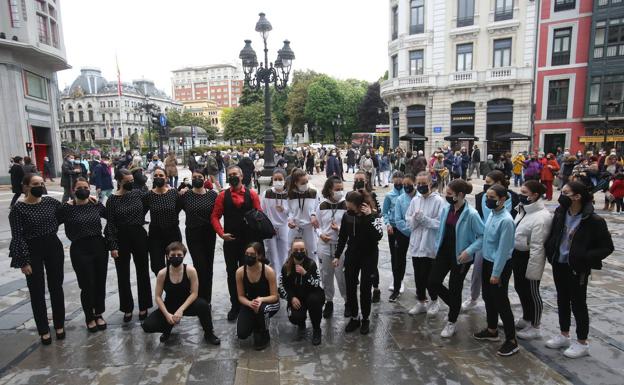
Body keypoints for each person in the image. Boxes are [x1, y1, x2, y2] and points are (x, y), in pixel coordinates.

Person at [543, 181, 614, 358]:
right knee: (562, 299)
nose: (562, 195)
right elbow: (555, 235)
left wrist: (585, 257)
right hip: (559, 263)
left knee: (578, 304)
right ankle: (564, 334)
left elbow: (607, 247)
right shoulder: (561, 213)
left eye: (565, 192)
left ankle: (582, 342)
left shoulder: (593, 220)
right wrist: (551, 249)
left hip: (577, 268)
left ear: (577, 197)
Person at [9, 174, 65, 344]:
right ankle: (43, 329)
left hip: (53, 246)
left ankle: (59, 324)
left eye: (41, 183)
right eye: (35, 184)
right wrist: (23, 261)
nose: (39, 186)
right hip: (32, 249)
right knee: (36, 290)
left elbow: (67, 211)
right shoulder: (18, 209)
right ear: (25, 187)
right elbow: (17, 236)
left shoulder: (50, 202)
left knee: (56, 286)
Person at [429, 179, 483, 338]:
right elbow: (441, 229)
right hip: (444, 252)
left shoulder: (471, 214)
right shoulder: (447, 209)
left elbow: (482, 235)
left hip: (461, 256)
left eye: (449, 194)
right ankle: (454, 306)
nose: (446, 196)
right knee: (433, 281)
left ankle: (452, 321)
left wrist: (469, 251)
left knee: (455, 287)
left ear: (460, 195)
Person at [141, 242, 220, 345]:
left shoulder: (190, 270)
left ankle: (209, 333)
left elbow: (194, 293)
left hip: (187, 304)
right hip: (170, 305)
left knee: (204, 305)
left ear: (184, 256)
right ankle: (167, 328)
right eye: (172, 255)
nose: (176, 257)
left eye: (179, 255)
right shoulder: (162, 273)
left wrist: (181, 310)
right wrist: (166, 314)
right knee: (147, 325)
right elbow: (157, 297)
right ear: (167, 256)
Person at [211, 166, 263, 321]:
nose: (233, 177)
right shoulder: (222, 196)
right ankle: (235, 304)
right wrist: (221, 233)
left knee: (249, 270)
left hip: (249, 242)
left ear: (242, 176)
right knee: (232, 273)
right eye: (230, 175)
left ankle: (249, 301)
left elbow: (259, 214)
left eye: (236, 174)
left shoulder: (252, 194)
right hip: (231, 241)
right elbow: (215, 216)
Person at [464, 170, 519, 311]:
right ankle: (473, 297)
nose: (485, 186)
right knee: (477, 271)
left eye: (488, 183)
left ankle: (500, 307)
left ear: (499, 183)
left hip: (503, 240)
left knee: (500, 278)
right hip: (484, 239)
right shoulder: (481, 197)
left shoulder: (514, 198)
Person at [473, 184, 518, 356]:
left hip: (499, 265)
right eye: (487, 196)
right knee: (487, 297)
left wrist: (496, 273)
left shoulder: (506, 221)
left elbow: (504, 249)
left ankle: (511, 340)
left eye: (492, 197)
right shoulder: (492, 214)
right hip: (487, 260)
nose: (488, 200)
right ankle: (492, 329)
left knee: (501, 302)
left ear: (502, 199)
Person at [58, 178, 108, 332]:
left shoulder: (95, 204)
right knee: (86, 285)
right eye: (79, 187)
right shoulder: (66, 208)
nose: (83, 190)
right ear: (73, 190)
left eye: (85, 187)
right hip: (79, 248)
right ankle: (89, 316)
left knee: (100, 282)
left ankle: (98, 313)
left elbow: (111, 217)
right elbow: (52, 222)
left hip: (99, 245)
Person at [105, 169, 152, 323]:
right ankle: (127, 308)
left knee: (143, 271)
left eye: (132, 180)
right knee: (122, 274)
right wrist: (113, 245)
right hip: (121, 237)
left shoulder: (138, 193)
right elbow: (110, 224)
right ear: (119, 182)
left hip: (138, 234)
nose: (131, 183)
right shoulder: (111, 200)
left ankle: (144, 305)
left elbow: (154, 196)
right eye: (127, 181)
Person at [334, 190, 384, 335]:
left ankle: (365, 318)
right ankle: (355, 317)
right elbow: (343, 236)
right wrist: (337, 255)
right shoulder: (347, 216)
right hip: (352, 254)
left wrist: (369, 217)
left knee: (365, 288)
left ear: (360, 205)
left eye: (351, 207)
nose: (348, 210)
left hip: (369, 255)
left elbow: (378, 236)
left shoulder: (375, 215)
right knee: (350, 285)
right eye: (347, 207)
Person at [513, 181, 552, 340]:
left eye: (524, 192)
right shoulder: (523, 210)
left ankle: (536, 326)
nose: (520, 195)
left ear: (535, 195)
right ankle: (527, 317)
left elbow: (537, 246)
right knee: (520, 288)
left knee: (532, 292)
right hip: (518, 254)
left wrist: (534, 271)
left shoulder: (542, 217)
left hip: (530, 258)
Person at [405, 172, 445, 315]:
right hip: (417, 242)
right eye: (419, 183)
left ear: (430, 183)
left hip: (430, 244)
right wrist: (416, 220)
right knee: (418, 275)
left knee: (429, 277)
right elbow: (408, 219)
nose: (421, 186)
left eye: (424, 183)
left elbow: (441, 223)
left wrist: (425, 220)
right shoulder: (415, 200)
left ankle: (434, 300)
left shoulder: (438, 201)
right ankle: (421, 301)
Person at [179, 170, 218, 303]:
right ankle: (200, 297)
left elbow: (217, 214)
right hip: (193, 233)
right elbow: (176, 207)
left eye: (199, 177)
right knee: (200, 265)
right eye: (194, 177)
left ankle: (207, 299)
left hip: (209, 233)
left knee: (209, 266)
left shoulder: (213, 195)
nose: (197, 179)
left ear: (205, 178)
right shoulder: (186, 195)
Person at [279, 239, 325, 345]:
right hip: (297, 297)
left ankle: (316, 329)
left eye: (301, 250)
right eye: (296, 250)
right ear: (291, 251)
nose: (299, 252)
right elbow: (281, 287)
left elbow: (317, 284)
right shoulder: (286, 267)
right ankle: (301, 322)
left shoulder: (311, 264)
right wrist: (291, 298)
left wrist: (306, 274)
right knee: (295, 317)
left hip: (312, 295)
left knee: (314, 301)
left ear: (305, 250)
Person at [236, 242, 280, 350]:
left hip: (268, 302)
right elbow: (240, 296)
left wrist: (261, 300)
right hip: (251, 303)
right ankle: (255, 324)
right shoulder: (240, 272)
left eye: (252, 255)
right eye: (247, 254)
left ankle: (264, 331)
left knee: (261, 310)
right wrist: (250, 303)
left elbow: (275, 296)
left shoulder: (268, 271)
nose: (248, 257)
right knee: (242, 334)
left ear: (259, 256)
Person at [315, 176, 347, 318]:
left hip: (341, 245)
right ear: (329, 190)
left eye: (341, 189)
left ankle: (348, 301)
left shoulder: (346, 205)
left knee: (342, 275)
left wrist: (340, 229)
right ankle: (329, 301)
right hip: (325, 244)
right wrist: (321, 234)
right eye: (336, 189)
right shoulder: (322, 206)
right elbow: (317, 225)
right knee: (326, 274)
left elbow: (350, 226)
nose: (339, 192)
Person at [144, 167, 183, 276]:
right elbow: (141, 212)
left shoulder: (173, 193)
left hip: (173, 233)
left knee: (174, 264)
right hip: (155, 235)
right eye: (155, 176)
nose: (158, 178)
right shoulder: (148, 195)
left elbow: (180, 207)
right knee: (157, 266)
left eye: (161, 176)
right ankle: (164, 285)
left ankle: (173, 291)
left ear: (166, 178)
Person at [353, 170, 382, 302]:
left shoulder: (372, 194)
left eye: (361, 179)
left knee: (372, 267)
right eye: (356, 179)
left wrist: (371, 212)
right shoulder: (352, 195)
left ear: (366, 180)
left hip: (370, 234)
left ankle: (376, 288)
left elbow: (379, 213)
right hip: (357, 235)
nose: (359, 181)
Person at [390, 173, 417, 302]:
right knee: (398, 262)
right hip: (402, 233)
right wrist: (408, 231)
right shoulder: (401, 199)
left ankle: (421, 289)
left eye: (408, 184)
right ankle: (396, 288)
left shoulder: (420, 198)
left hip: (419, 234)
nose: (406, 187)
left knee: (420, 262)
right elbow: (398, 219)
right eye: (404, 184)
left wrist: (415, 232)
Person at [287, 169, 320, 263]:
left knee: (312, 251)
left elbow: (317, 206)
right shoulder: (290, 194)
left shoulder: (313, 192)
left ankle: (313, 274)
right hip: (295, 227)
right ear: (295, 182)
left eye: (306, 181)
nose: (305, 184)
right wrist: (290, 220)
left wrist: (314, 215)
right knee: (290, 250)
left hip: (309, 227)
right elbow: (289, 210)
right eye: (302, 182)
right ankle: (290, 273)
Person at [261, 169, 290, 269]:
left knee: (284, 253)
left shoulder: (288, 195)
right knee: (271, 255)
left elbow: (293, 213)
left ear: (285, 180)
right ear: (272, 180)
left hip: (284, 226)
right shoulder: (267, 193)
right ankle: (273, 279)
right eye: (275, 179)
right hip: (270, 227)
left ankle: (283, 278)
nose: (278, 181)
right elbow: (263, 211)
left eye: (280, 179)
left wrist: (285, 210)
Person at [382, 171, 404, 300]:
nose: (398, 181)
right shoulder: (389, 195)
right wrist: (388, 224)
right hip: (393, 229)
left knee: (401, 255)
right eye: (396, 179)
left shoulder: (407, 194)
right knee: (394, 255)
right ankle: (396, 278)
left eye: (400, 179)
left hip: (404, 229)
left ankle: (400, 280)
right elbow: (385, 212)